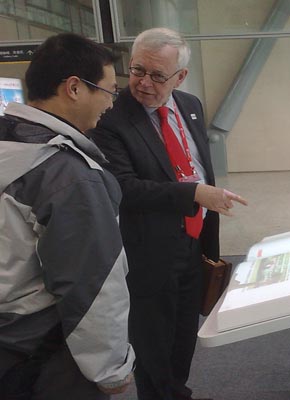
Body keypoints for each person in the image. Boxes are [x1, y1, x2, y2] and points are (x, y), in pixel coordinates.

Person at [90, 28, 247, 400]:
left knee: (183, 337)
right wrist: (194, 193)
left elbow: (196, 163)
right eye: (137, 70)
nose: (144, 83)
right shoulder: (111, 117)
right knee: (153, 347)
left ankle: (177, 392)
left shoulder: (190, 104)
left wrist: (202, 198)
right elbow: (124, 188)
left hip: (194, 242)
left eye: (157, 75)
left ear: (180, 76)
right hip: (149, 252)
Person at [0, 33, 135, 399]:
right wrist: (111, 368)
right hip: (43, 353)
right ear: (74, 88)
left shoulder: (9, 143)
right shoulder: (67, 175)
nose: (110, 103)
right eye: (108, 91)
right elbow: (92, 282)